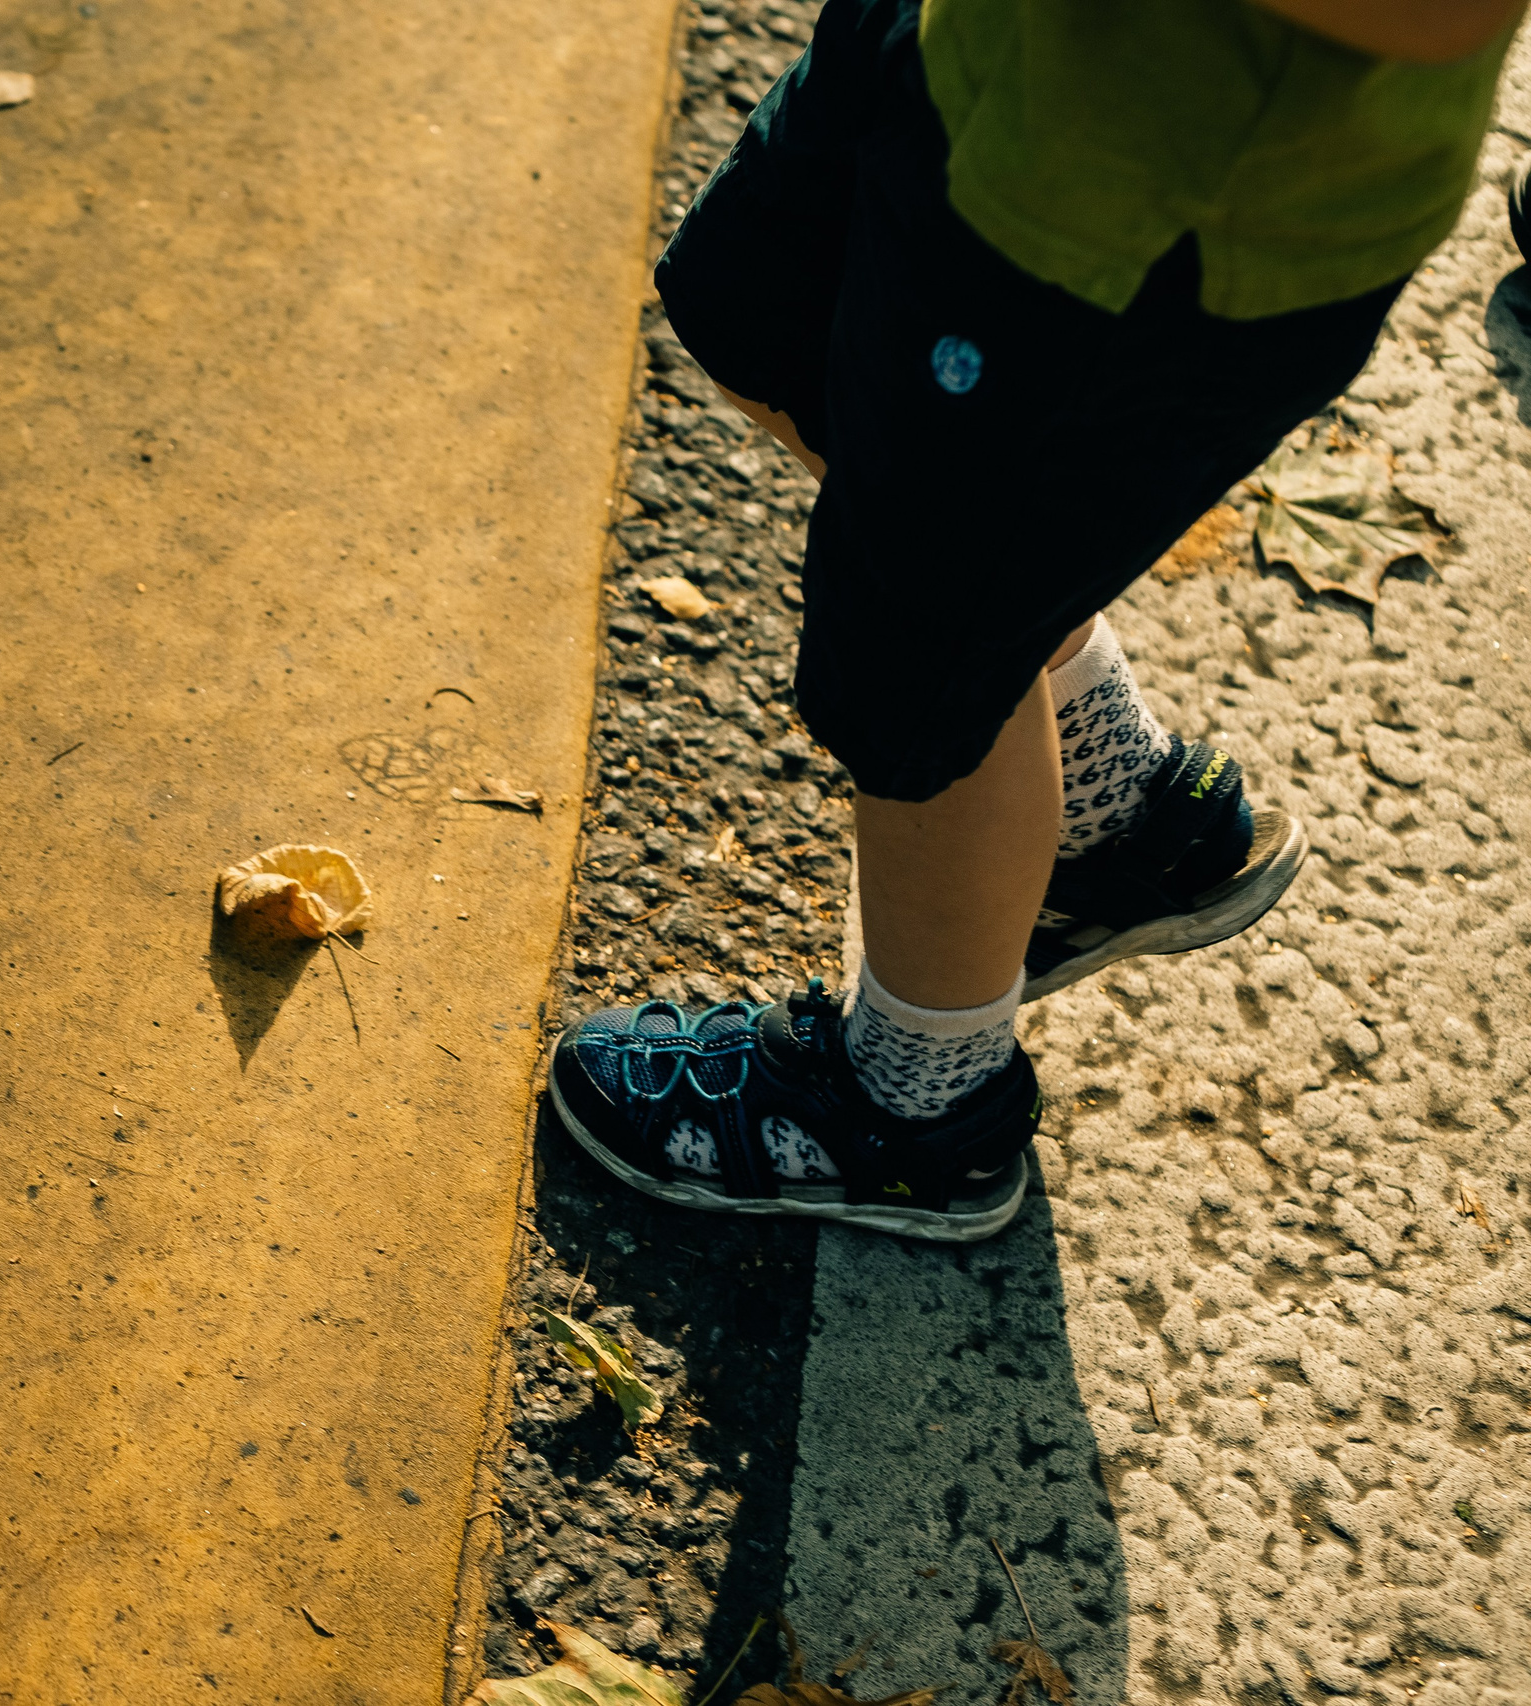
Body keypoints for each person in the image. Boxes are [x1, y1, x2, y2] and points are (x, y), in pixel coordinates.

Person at [550, 0, 1524, 1240]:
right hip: (989, 69)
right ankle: (1116, 814)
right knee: (757, 304)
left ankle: (912, 1109)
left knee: (918, 667)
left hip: (1138, 215)